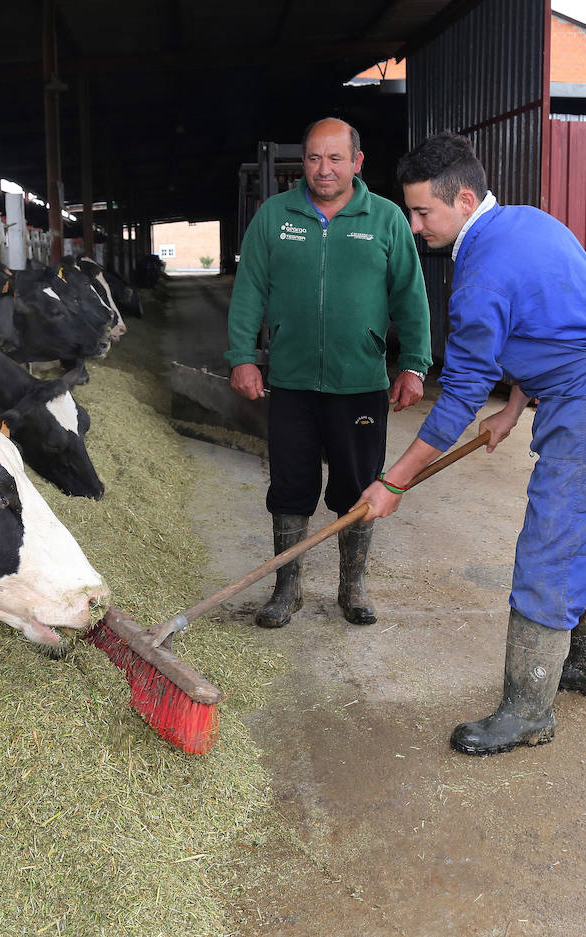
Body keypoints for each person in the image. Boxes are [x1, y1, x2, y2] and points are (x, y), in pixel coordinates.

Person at [354, 131, 586, 757]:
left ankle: (526, 711)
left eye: (422, 212)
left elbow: (461, 393)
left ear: (463, 199)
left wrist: (395, 480)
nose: (414, 227)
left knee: (555, 541)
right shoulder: (526, 223)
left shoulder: (480, 269)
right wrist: (515, 407)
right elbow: (550, 318)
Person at [227, 117, 431, 629]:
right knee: (290, 486)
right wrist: (241, 355)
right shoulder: (274, 216)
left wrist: (413, 364)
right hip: (292, 382)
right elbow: (249, 289)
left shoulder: (385, 219)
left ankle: (352, 586)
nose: (324, 168)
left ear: (357, 162)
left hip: (360, 384)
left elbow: (411, 298)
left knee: (358, 486)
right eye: (315, 158)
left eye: (336, 158)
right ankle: (287, 589)